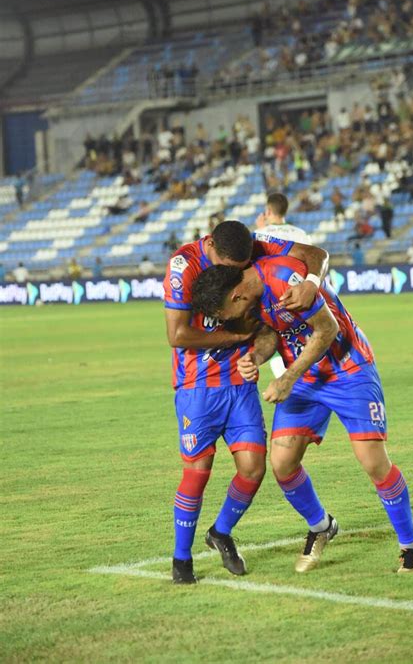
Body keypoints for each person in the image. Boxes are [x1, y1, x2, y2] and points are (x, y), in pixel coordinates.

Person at [191, 256, 413, 574]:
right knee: (282, 462)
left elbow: (328, 329)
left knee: (373, 461)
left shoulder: (284, 279)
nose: (226, 322)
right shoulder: (252, 300)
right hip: (305, 379)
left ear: (235, 296)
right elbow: (271, 333)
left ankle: (410, 546)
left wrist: (288, 377)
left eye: (223, 315)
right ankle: (321, 525)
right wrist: (256, 357)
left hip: (348, 370)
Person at [163, 220, 329, 584]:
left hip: (240, 380)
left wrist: (309, 283)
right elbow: (177, 334)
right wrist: (238, 335)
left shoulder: (254, 247)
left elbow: (314, 254)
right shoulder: (183, 266)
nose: (241, 275)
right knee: (197, 473)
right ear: (213, 250)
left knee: (254, 468)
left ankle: (221, 532)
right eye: (232, 268)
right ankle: (181, 561)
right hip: (197, 385)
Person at [255, 192, 310, 378]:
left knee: (276, 339)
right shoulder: (301, 234)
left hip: (273, 297)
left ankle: (286, 374)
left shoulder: (261, 234)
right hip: (302, 294)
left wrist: (260, 229)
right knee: (303, 336)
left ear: (268, 210)